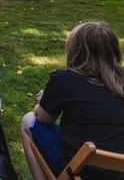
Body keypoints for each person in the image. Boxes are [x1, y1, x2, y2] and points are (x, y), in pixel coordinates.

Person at [21, 21, 124, 180]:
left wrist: (44, 102)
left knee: (28, 120)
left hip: (79, 169)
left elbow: (43, 118)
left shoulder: (64, 80)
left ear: (76, 51)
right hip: (119, 171)